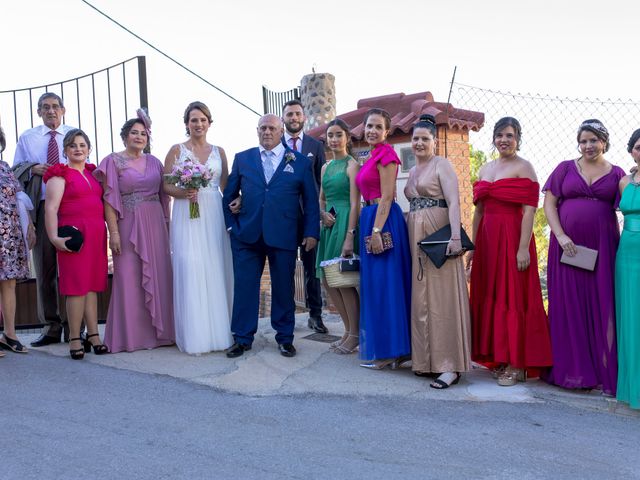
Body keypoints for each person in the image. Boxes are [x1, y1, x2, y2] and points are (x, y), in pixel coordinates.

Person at [222, 114, 320, 358]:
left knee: (284, 288)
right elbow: (228, 195)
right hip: (247, 235)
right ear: (257, 131)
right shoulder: (243, 158)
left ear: (281, 131)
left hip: (284, 234)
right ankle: (242, 338)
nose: (267, 132)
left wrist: (310, 232)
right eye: (263, 128)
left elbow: (310, 201)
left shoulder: (298, 162)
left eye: (272, 128)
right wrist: (232, 227)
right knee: (245, 287)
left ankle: (285, 338)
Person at [468, 117, 552, 386]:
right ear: (493, 138)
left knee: (513, 297)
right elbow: (478, 211)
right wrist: (472, 246)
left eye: (510, 135)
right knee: (492, 294)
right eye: (499, 135)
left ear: (518, 139)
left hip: (513, 237)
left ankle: (517, 365)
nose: (504, 140)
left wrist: (522, 249)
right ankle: (500, 356)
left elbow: (530, 210)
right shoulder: (485, 168)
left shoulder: (524, 167)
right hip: (488, 240)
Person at [542, 119, 623, 395]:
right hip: (568, 248)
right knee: (569, 304)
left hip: (604, 247)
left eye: (594, 140)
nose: (588, 145)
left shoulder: (618, 174)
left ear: (604, 142)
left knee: (603, 305)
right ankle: (573, 371)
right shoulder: (565, 169)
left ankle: (602, 370)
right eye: (584, 140)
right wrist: (561, 236)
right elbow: (549, 204)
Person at [94, 111, 174, 353]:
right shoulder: (112, 161)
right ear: (125, 136)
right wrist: (114, 233)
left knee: (159, 275)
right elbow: (109, 200)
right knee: (128, 277)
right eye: (134, 133)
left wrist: (167, 225)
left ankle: (162, 334)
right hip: (127, 224)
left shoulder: (155, 162)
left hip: (155, 223)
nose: (139, 137)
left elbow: (165, 197)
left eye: (143, 133)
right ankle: (130, 337)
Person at [403, 114, 471, 388]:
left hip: (439, 235)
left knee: (444, 300)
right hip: (416, 236)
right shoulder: (413, 171)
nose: (419, 143)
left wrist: (455, 237)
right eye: (416, 139)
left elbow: (454, 202)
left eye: (425, 139)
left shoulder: (442, 164)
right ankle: (426, 360)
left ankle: (450, 366)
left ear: (434, 141)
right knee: (422, 298)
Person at [163, 101, 234, 355]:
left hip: (213, 212)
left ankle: (219, 333)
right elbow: (166, 186)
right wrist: (184, 193)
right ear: (186, 124)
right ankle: (195, 335)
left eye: (203, 119)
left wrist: (237, 207)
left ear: (209, 122)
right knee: (191, 266)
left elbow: (225, 186)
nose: (198, 124)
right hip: (187, 212)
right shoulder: (176, 150)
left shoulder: (220, 151)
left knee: (214, 267)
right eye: (194, 120)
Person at [12, 93, 75, 346]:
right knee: (45, 266)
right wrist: (32, 168)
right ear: (39, 112)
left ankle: (74, 326)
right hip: (40, 206)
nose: (51, 111)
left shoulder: (74, 135)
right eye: (45, 107)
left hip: (70, 206)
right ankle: (51, 326)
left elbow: (87, 163)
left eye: (55, 107)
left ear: (63, 109)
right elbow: (15, 170)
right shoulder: (28, 137)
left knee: (71, 267)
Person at [44, 129, 108, 359]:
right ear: (66, 150)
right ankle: (73, 337)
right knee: (76, 287)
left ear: (89, 149)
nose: (78, 149)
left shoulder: (93, 174)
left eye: (82, 145)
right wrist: (53, 238)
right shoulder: (59, 176)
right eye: (73, 145)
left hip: (97, 234)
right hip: (74, 236)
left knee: (91, 286)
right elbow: (50, 208)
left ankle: (93, 335)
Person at [355, 108, 411, 369]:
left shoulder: (387, 154)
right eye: (369, 126)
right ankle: (387, 349)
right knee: (376, 287)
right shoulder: (371, 155)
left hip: (383, 219)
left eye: (378, 127)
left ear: (387, 132)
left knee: (387, 285)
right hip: (370, 217)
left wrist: (377, 231)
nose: (372, 131)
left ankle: (391, 352)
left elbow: (388, 196)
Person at [281, 99, 327, 333]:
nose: (294, 118)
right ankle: (287, 316)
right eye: (289, 114)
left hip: (310, 217)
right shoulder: (276, 145)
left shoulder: (315, 146)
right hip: (285, 218)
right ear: (284, 118)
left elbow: (322, 182)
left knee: (312, 269)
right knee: (286, 268)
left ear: (304, 117)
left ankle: (316, 315)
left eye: (297, 113)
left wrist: (321, 212)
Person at [316, 119, 360, 354]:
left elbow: (355, 203)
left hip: (345, 221)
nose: (334, 139)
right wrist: (322, 214)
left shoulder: (352, 165)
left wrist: (350, 235)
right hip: (328, 224)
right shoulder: (325, 167)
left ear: (347, 138)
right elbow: (322, 198)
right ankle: (347, 330)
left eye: (338, 135)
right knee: (328, 279)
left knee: (344, 281)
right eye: (330, 135)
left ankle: (355, 334)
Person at [0, 126, 36, 356]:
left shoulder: (4, 167)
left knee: (9, 283)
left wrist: (30, 224)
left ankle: (10, 335)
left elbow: (20, 196)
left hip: (9, 236)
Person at [615, 128, 640, 409]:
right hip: (627, 252)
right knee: (630, 315)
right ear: (631, 150)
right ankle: (633, 389)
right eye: (638, 147)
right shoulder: (624, 182)